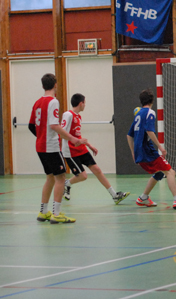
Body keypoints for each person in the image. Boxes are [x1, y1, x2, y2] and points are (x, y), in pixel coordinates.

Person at [29, 73, 86, 224]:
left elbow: (31, 125)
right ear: (55, 85)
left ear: (43, 86)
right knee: (60, 178)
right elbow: (54, 125)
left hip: (40, 146)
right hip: (51, 147)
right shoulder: (53, 101)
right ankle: (57, 213)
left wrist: (41, 136)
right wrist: (72, 138)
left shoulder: (37, 102)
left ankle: (43, 212)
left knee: (50, 177)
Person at [127, 89, 176, 209]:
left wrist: (133, 152)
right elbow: (149, 131)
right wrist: (160, 147)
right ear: (152, 100)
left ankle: (143, 198)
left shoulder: (138, 114)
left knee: (158, 173)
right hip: (147, 150)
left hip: (139, 151)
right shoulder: (150, 112)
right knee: (170, 172)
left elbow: (129, 135)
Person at [62, 93, 130, 204]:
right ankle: (66, 184)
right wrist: (78, 141)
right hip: (70, 151)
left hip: (81, 149)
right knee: (83, 176)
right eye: (84, 103)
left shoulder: (78, 117)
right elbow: (62, 133)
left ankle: (114, 195)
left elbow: (77, 135)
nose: (85, 105)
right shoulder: (68, 115)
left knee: (97, 170)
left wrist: (89, 145)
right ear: (81, 103)